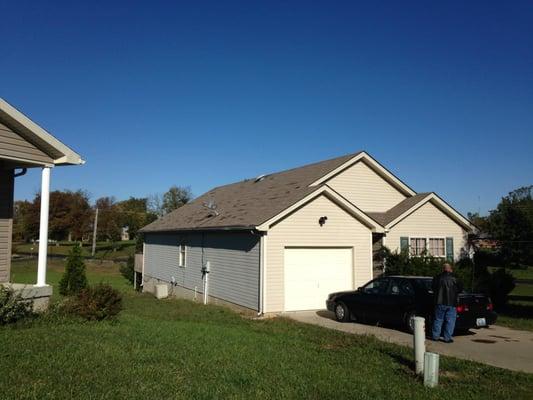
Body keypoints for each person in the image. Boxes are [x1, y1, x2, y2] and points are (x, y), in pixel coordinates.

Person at [431, 263, 463, 343]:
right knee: (450, 321)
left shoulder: (437, 277)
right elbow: (460, 289)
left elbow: (433, 288)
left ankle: (435, 336)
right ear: (450, 269)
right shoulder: (455, 278)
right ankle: (447, 338)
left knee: (438, 319)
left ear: (443, 269)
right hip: (452, 303)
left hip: (439, 301)